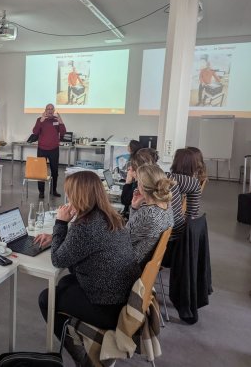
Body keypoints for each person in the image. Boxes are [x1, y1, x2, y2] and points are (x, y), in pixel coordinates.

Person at [33, 171, 140, 338]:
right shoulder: (111, 216)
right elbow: (85, 244)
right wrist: (57, 237)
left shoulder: (84, 226)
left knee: (46, 298)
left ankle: (74, 348)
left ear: (78, 195)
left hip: (107, 307)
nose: (67, 196)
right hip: (123, 297)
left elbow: (58, 260)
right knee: (65, 282)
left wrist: (60, 223)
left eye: (69, 192)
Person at [128, 164, 175, 267]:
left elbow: (124, 238)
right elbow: (134, 231)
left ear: (142, 186)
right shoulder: (167, 205)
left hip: (129, 263)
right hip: (143, 261)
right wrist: (135, 207)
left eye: (138, 182)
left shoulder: (148, 213)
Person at [32, 104, 67, 198]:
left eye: (52, 109)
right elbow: (35, 132)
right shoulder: (40, 119)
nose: (50, 111)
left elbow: (63, 132)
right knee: (41, 171)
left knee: (55, 171)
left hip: (54, 150)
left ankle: (53, 190)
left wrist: (61, 122)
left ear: (54, 110)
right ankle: (41, 192)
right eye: (48, 109)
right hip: (42, 149)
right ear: (45, 110)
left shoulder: (56, 120)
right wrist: (41, 121)